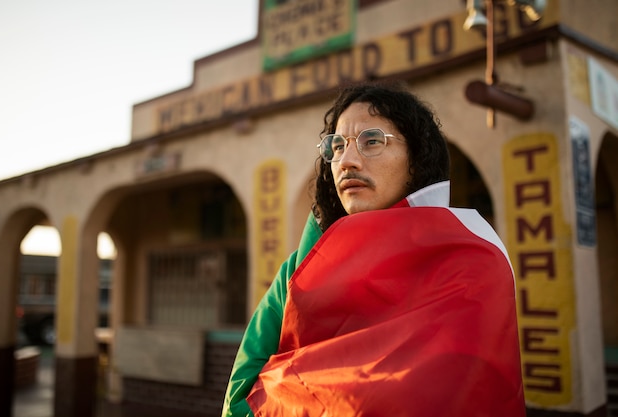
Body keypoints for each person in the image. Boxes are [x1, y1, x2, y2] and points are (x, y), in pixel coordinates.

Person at [221, 80, 525, 416]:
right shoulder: (298, 269)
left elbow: (463, 390)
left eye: (372, 141)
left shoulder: (472, 257)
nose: (347, 160)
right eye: (337, 146)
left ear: (417, 158)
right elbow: (240, 395)